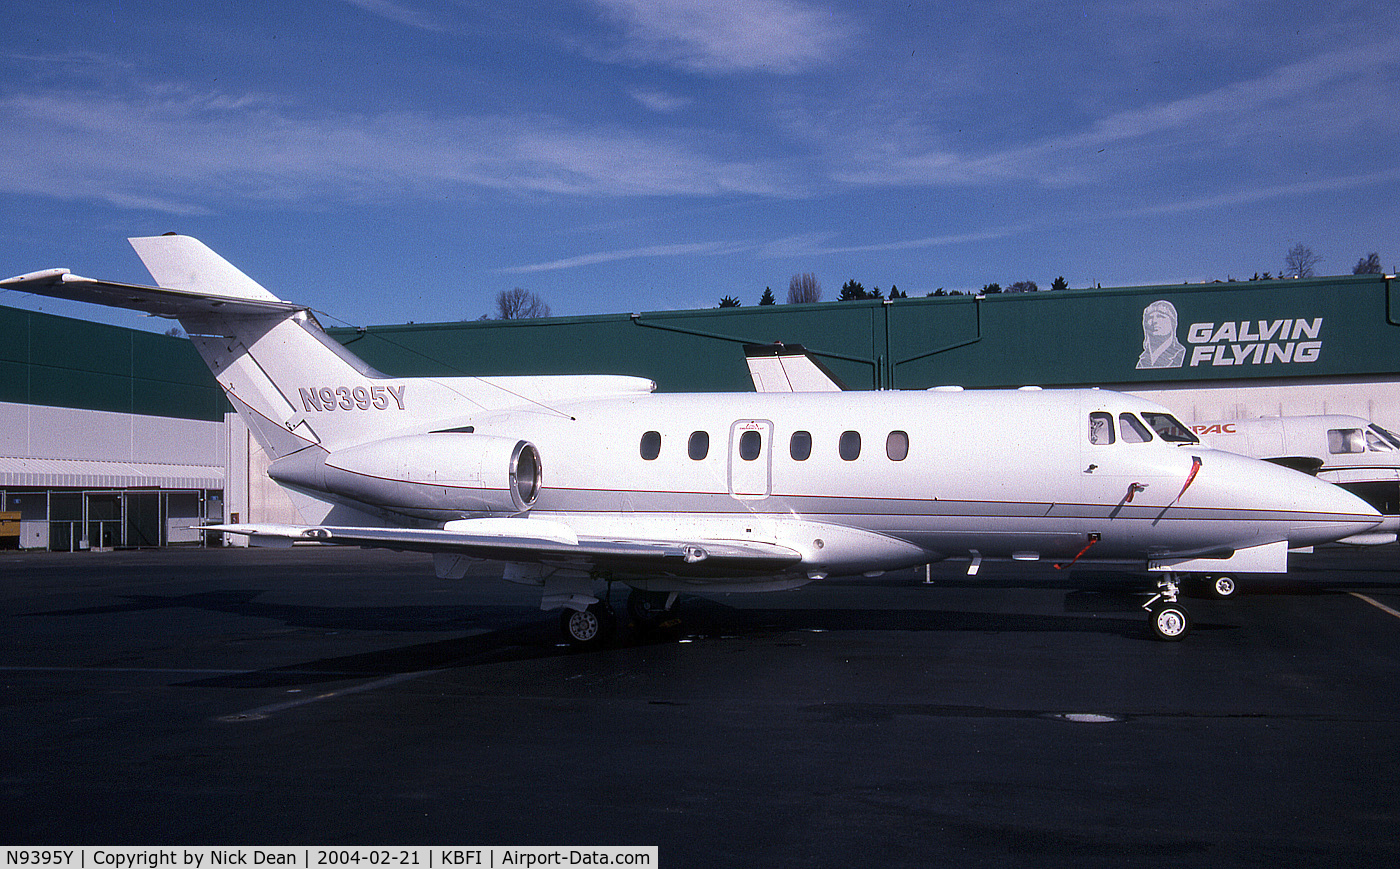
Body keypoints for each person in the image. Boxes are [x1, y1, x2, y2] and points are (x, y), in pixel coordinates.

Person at [1136, 300, 1186, 369]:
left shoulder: (1180, 354)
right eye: (1150, 317)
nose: (1154, 321)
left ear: (1172, 323)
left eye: (1161, 316)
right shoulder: (1143, 359)